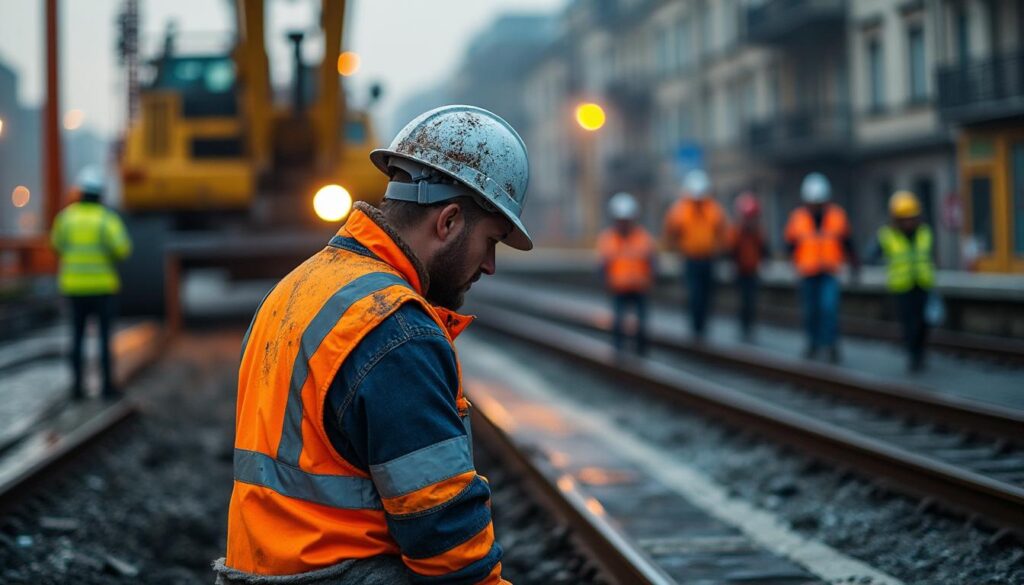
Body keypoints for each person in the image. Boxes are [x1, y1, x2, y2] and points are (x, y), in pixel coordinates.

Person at [215, 106, 529, 585]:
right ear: (447, 223)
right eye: (491, 241)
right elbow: (446, 541)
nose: (489, 265)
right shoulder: (394, 329)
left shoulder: (299, 287)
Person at [49, 167, 132, 401]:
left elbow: (56, 245)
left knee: (76, 339)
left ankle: (77, 389)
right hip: (102, 288)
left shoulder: (65, 218)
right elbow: (122, 249)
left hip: (74, 289)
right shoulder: (106, 220)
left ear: (80, 193)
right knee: (104, 340)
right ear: (99, 194)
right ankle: (107, 388)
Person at [784, 172, 859, 363]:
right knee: (810, 311)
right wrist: (791, 265)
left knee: (829, 308)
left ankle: (831, 344)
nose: (816, 207)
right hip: (807, 272)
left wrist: (854, 264)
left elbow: (847, 242)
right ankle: (813, 343)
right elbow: (790, 245)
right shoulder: (797, 218)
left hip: (829, 271)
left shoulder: (837, 216)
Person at [872, 190, 935, 371]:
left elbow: (930, 257)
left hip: (923, 283)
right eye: (904, 218)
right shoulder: (887, 235)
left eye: (911, 218)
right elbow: (872, 253)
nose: (909, 222)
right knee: (909, 323)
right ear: (897, 219)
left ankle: (920, 353)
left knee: (924, 322)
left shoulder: (925, 233)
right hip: (902, 286)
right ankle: (913, 355)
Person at [663, 169, 728, 340]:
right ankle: (696, 326)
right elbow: (671, 233)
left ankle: (703, 325)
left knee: (707, 294)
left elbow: (722, 232)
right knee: (694, 294)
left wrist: (720, 250)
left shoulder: (714, 209)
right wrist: (676, 250)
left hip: (708, 258)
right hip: (690, 258)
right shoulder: (680, 210)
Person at [597, 192, 656, 355]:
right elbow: (603, 265)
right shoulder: (608, 239)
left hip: (639, 287)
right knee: (618, 322)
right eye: (620, 220)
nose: (623, 224)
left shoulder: (643, 238)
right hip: (618, 287)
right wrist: (606, 283)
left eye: (626, 220)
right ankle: (618, 350)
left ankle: (641, 351)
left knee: (642, 323)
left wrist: (650, 281)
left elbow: (652, 262)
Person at [728, 192, 769, 341]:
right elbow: (731, 250)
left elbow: (764, 249)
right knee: (743, 301)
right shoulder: (736, 231)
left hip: (752, 271)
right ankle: (744, 327)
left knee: (751, 300)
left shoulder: (758, 232)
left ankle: (749, 327)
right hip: (740, 271)